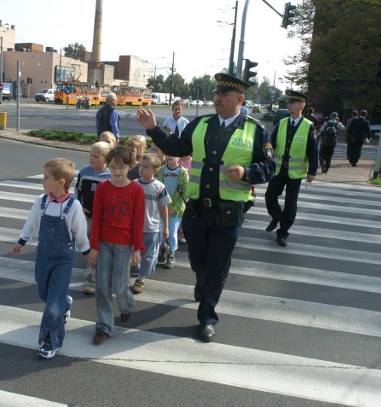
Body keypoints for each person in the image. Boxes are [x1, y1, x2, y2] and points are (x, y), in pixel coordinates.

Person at [136, 72, 275, 343]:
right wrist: (153, 129)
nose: (218, 98)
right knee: (198, 259)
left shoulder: (254, 130)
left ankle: (207, 315)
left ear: (239, 99)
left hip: (229, 212)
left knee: (217, 265)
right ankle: (202, 284)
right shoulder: (200, 124)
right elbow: (176, 146)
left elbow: (270, 167)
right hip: (197, 208)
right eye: (216, 94)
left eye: (224, 95)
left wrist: (247, 171)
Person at [11, 158, 90, 359]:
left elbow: (80, 232)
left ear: (61, 182)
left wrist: (87, 252)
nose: (42, 181)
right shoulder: (41, 201)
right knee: (45, 293)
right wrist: (22, 241)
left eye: (46, 178)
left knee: (52, 308)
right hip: (44, 255)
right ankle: (64, 302)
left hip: (63, 258)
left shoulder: (73, 206)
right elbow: (31, 222)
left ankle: (50, 341)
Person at [86, 145, 145, 345]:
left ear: (130, 166)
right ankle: (104, 326)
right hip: (103, 244)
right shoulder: (103, 188)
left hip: (124, 245)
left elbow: (138, 222)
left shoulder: (136, 190)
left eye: (121, 167)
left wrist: (137, 248)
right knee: (102, 285)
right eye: (112, 167)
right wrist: (94, 246)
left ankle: (127, 305)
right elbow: (96, 220)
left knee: (119, 286)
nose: (117, 171)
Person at [264, 90, 318, 247]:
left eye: (292, 103)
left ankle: (282, 233)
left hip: (295, 173)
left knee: (290, 204)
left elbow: (313, 150)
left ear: (301, 105)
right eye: (288, 103)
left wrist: (312, 171)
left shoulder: (309, 126)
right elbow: (270, 144)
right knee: (270, 197)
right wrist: (265, 158)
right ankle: (276, 216)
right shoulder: (282, 123)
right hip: (278, 170)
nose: (288, 105)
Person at [75, 141, 113, 296]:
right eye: (91, 155)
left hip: (103, 218)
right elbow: (77, 191)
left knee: (100, 244)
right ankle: (90, 266)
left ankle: (98, 270)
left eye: (96, 156)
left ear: (105, 159)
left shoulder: (110, 175)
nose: (92, 158)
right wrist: (79, 206)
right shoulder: (84, 172)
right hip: (87, 215)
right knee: (88, 242)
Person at [131, 153, 171, 294]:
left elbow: (163, 208)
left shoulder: (159, 187)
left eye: (146, 167)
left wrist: (165, 227)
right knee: (131, 252)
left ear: (155, 170)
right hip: (133, 228)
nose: (141, 169)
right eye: (140, 166)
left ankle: (141, 279)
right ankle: (132, 270)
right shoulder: (134, 184)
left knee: (148, 254)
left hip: (151, 228)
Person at [157, 151, 189, 269]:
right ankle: (161, 250)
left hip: (175, 210)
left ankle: (171, 254)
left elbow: (185, 193)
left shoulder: (183, 173)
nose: (171, 156)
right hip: (161, 208)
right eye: (169, 153)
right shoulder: (160, 171)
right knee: (159, 232)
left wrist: (176, 208)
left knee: (172, 233)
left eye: (174, 153)